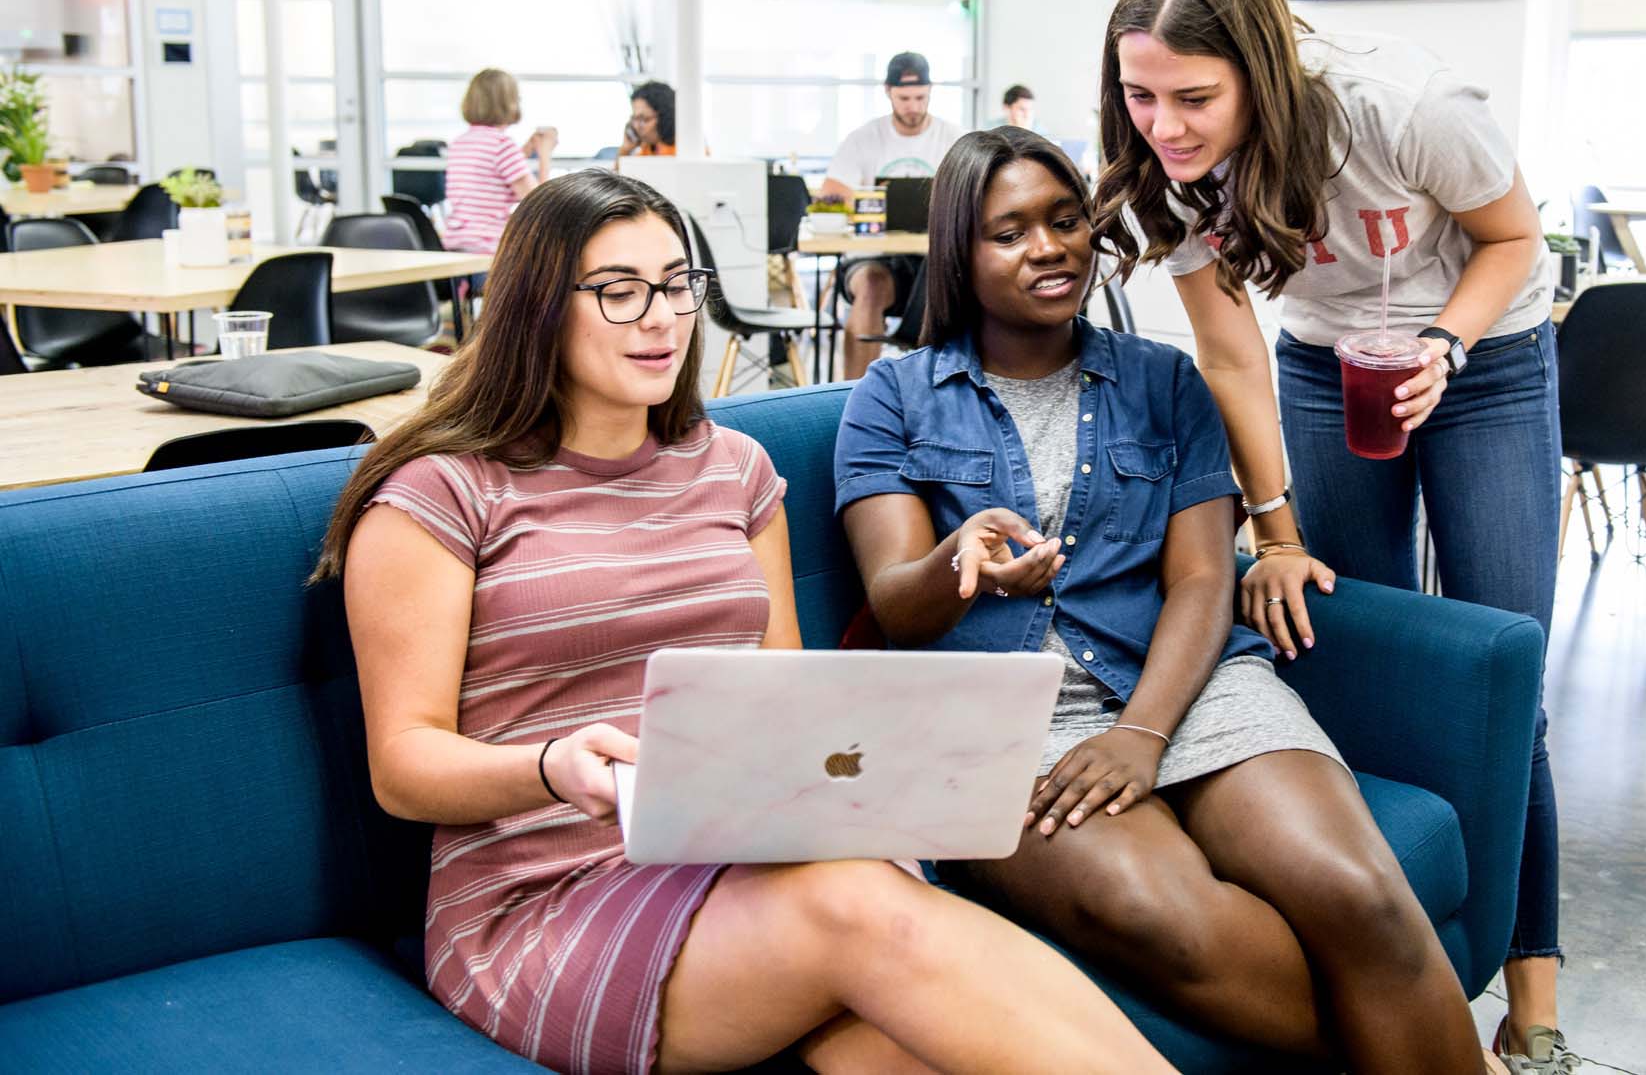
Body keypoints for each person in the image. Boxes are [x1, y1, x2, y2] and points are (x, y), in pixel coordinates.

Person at [315, 169, 1170, 1075]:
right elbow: (404, 763)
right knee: (858, 906)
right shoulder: (440, 492)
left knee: (891, 1034)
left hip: (741, 858)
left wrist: (887, 786)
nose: (662, 318)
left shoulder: (734, 468)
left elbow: (787, 703)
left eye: (678, 284)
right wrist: (550, 769)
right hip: (543, 892)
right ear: (536, 307)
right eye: (619, 291)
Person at [836, 128, 1509, 1075]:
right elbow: (898, 608)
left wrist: (1143, 733)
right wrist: (961, 560)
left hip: (1185, 684)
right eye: (1010, 231)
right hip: (998, 725)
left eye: (1066, 220)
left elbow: (1202, 577)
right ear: (959, 252)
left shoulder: (1162, 380)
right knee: (1171, 923)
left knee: (1358, 891)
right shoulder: (894, 396)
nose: (1050, 247)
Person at [1092, 0, 1572, 1075]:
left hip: (1484, 357)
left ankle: (1535, 1008)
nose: (1164, 125)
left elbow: (1513, 239)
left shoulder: (1404, 104)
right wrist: (1276, 530)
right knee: (1349, 642)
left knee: (1501, 669)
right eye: (1139, 94)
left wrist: (1447, 347)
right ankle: (1398, 971)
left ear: (1261, 66)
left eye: (1194, 97)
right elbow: (1228, 349)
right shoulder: (1167, 158)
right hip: (1323, 362)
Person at [820, 51, 963, 378]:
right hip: (874, 259)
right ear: (888, 91)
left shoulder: (953, 137)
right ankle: (852, 396)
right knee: (870, 285)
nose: (912, 106)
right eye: (904, 98)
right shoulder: (864, 139)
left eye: (919, 97)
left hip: (935, 261)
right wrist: (863, 203)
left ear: (930, 91)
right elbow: (831, 194)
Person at [444, 67, 554, 254]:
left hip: (457, 243)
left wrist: (525, 151)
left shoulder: (460, 143)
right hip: (489, 247)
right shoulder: (502, 145)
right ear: (509, 103)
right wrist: (545, 154)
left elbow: (489, 175)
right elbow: (540, 202)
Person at [621, 80, 676, 157]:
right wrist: (625, 149)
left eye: (644, 119)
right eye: (634, 119)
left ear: (665, 118)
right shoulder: (649, 147)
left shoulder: (679, 151)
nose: (636, 127)